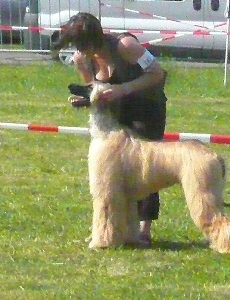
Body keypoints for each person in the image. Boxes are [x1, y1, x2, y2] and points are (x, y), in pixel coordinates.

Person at [52, 12, 168, 246]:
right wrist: (87, 99)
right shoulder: (82, 58)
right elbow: (92, 88)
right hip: (117, 112)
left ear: (96, 38)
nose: (80, 51)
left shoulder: (126, 46)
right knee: (111, 173)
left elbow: (158, 74)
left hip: (146, 108)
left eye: (83, 46)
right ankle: (109, 228)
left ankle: (144, 229)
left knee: (144, 168)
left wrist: (123, 89)